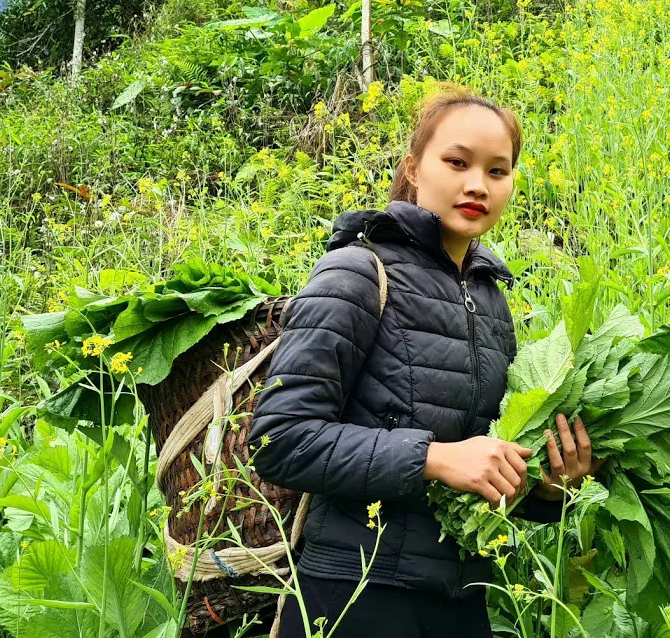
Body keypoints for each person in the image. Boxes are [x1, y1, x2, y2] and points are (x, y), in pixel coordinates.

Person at [248, 86, 599, 638]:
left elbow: (482, 461)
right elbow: (280, 439)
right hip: (354, 593)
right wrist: (434, 459)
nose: (477, 185)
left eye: (498, 171)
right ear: (413, 168)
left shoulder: (491, 300)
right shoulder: (356, 274)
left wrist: (549, 487)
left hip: (461, 597)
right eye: (457, 162)